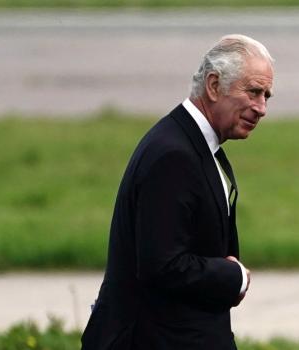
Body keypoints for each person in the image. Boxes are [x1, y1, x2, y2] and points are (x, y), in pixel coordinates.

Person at [81, 34, 274, 350]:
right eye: (253, 92)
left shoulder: (191, 143)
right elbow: (163, 266)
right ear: (213, 86)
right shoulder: (174, 154)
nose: (261, 108)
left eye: (266, 95)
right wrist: (232, 276)